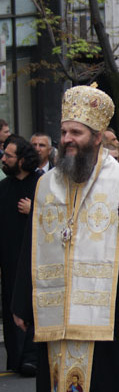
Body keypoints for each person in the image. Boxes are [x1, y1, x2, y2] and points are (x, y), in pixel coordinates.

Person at [12, 85, 119, 392]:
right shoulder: (47, 184)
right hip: (53, 310)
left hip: (101, 316)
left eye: (75, 133)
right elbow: (31, 245)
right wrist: (22, 301)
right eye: (64, 131)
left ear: (96, 138)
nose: (67, 139)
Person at [0, 136, 40, 376]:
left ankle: (32, 356)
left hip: (35, 257)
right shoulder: (4, 188)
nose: (4, 160)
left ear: (23, 160)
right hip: (9, 257)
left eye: (8, 156)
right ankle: (16, 357)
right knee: (11, 304)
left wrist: (33, 209)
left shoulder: (41, 184)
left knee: (32, 304)